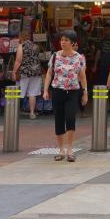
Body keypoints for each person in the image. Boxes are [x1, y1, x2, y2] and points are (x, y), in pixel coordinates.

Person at [43, 30, 88, 161]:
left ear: (73, 43)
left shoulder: (79, 58)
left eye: (66, 40)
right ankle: (61, 150)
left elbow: (82, 76)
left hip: (73, 92)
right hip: (57, 91)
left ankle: (70, 150)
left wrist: (85, 92)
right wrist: (46, 90)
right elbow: (49, 74)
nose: (63, 42)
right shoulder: (55, 56)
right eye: (62, 40)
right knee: (58, 119)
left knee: (70, 118)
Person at [11, 30, 43, 120]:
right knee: (32, 93)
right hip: (36, 72)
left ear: (21, 37)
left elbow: (18, 60)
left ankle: (14, 112)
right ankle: (32, 113)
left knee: (18, 92)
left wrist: (14, 72)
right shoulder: (35, 46)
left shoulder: (21, 46)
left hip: (25, 72)